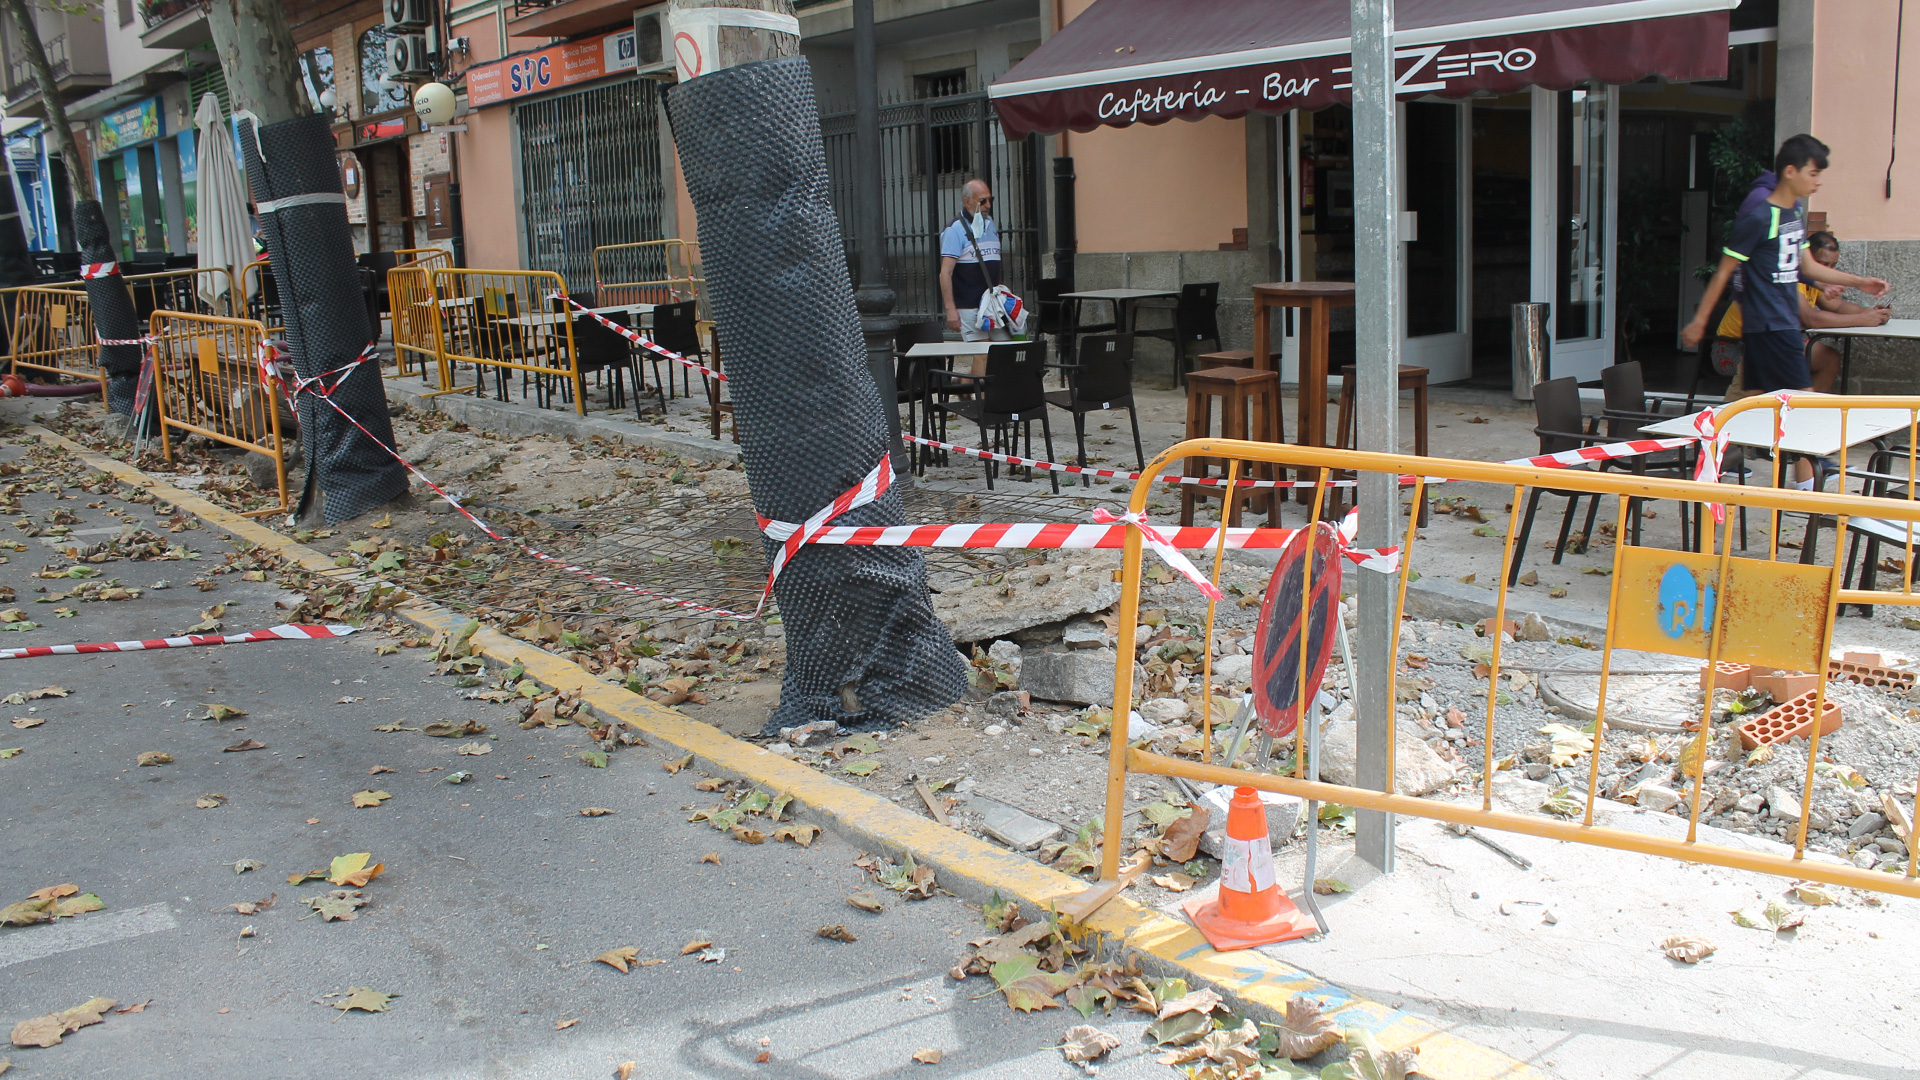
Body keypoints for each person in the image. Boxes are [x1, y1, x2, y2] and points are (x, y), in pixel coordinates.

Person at [1681, 134, 1891, 486]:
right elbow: (1724, 271)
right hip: (1768, 329)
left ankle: (1712, 458)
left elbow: (1807, 267)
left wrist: (1858, 282)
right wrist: (1700, 321)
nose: (1818, 181)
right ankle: (1802, 482)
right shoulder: (1759, 216)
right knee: (1800, 408)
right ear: (1790, 171)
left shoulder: (1793, 213)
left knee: (1754, 408)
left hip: (1783, 329)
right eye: (1812, 173)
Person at [1713, 229, 1891, 394]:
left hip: (1772, 342)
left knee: (1825, 359)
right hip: (1734, 348)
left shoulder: (1812, 279)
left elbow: (1837, 306)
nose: (1827, 271)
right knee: (1809, 361)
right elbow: (1810, 319)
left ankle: (1803, 416)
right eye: (1822, 264)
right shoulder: (1789, 274)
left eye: (1832, 266)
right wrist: (1862, 319)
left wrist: (1871, 313)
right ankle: (1796, 416)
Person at [939, 179, 1004, 345]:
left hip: (992, 302)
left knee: (1001, 350)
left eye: (991, 200)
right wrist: (951, 310)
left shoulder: (990, 224)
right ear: (967, 201)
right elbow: (946, 272)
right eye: (982, 201)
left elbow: (994, 263)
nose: (988, 205)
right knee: (982, 352)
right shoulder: (954, 230)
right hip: (969, 305)